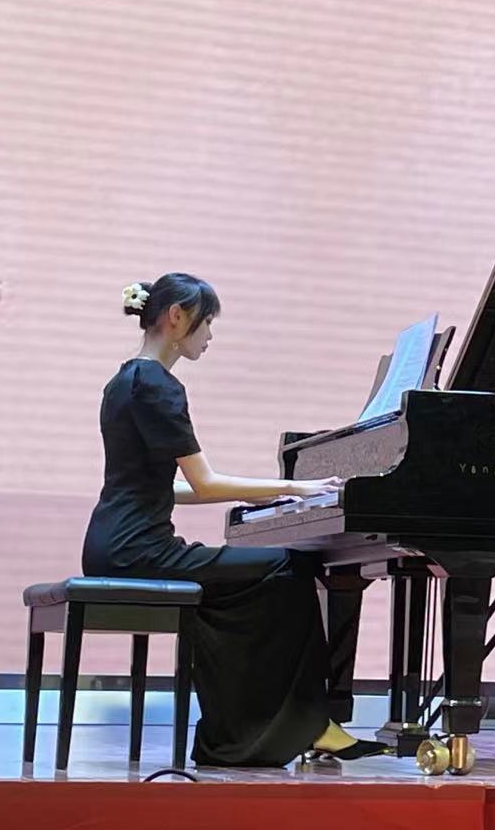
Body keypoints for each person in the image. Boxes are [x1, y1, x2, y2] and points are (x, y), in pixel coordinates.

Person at [81, 273, 388, 766]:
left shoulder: (123, 382)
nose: (210, 335)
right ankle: (306, 724)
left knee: (255, 586)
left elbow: (164, 488)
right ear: (177, 317)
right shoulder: (159, 386)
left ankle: (249, 728)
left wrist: (268, 496)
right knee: (291, 568)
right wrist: (294, 488)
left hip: (110, 544)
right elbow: (205, 483)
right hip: (141, 550)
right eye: (206, 323)